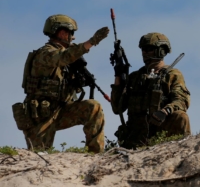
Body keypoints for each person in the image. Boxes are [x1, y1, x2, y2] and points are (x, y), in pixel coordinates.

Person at [13, 14, 109, 153]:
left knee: (93, 107)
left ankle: (95, 155)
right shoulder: (45, 53)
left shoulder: (66, 58)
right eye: (71, 33)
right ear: (63, 33)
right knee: (39, 156)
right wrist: (91, 42)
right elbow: (63, 57)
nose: (72, 37)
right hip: (41, 115)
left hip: (61, 109)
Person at [111, 32, 191, 149]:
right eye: (143, 49)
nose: (145, 53)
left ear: (161, 51)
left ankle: (183, 152)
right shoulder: (135, 77)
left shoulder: (172, 75)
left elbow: (182, 100)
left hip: (160, 129)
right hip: (136, 135)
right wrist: (118, 77)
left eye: (149, 49)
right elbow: (117, 108)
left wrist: (165, 111)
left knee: (181, 116)